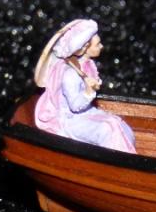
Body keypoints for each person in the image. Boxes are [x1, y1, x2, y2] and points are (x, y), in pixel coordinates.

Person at [33, 19, 137, 153]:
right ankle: (111, 160)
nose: (101, 46)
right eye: (97, 44)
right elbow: (75, 106)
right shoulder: (71, 74)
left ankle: (127, 155)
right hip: (71, 121)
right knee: (106, 130)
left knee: (117, 123)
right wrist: (89, 91)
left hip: (86, 112)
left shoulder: (86, 65)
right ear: (84, 48)